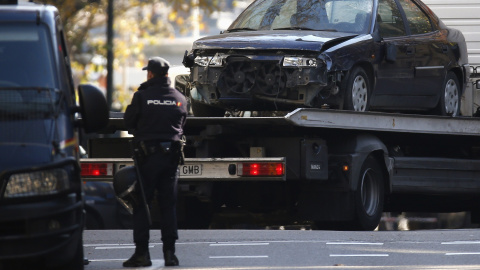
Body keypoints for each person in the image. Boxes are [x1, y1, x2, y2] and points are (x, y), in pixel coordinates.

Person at [123, 56, 187, 267]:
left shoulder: (142, 96)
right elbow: (182, 123)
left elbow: (128, 121)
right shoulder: (179, 97)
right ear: (167, 75)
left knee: (142, 204)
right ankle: (171, 254)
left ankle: (142, 254)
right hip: (171, 159)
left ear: (150, 73)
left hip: (148, 158)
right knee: (168, 206)